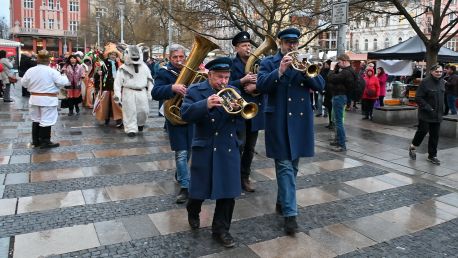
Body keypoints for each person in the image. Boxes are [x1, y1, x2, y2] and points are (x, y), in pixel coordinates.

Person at [257, 28, 324, 235]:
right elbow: (261, 85)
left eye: (294, 43)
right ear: (280, 43)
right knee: (285, 167)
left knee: (293, 167)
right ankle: (290, 214)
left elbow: (321, 85)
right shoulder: (269, 62)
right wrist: (280, 70)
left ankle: (282, 200)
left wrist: (306, 72)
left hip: (300, 123)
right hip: (278, 121)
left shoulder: (304, 62)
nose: (291, 46)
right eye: (287, 42)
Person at [181, 57, 243, 248]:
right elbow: (185, 114)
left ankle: (221, 230)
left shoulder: (234, 92)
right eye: (219, 77)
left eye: (226, 77)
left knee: (228, 193)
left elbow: (242, 118)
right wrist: (204, 105)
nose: (223, 81)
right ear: (210, 75)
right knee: (198, 191)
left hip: (227, 147)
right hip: (205, 146)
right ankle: (193, 209)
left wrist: (237, 111)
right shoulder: (195, 91)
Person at [152, 44, 192, 203]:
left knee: (188, 150)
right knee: (181, 152)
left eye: (181, 57)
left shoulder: (191, 70)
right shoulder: (164, 72)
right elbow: (155, 93)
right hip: (174, 115)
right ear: (169, 58)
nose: (178, 60)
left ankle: (180, 174)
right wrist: (172, 87)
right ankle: (185, 186)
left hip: (191, 113)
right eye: (175, 57)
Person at [229, 31, 263, 192]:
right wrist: (242, 81)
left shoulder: (259, 63)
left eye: (249, 45)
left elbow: (266, 82)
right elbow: (225, 85)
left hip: (254, 111)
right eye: (244, 45)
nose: (248, 48)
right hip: (238, 112)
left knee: (250, 148)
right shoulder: (231, 65)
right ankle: (233, 177)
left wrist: (257, 86)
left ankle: (245, 177)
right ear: (236, 48)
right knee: (238, 146)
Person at [21, 50, 70, 148]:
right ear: (48, 61)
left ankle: (36, 141)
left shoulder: (30, 70)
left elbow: (24, 83)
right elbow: (63, 82)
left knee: (36, 119)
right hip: (48, 100)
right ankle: (45, 141)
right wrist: (64, 75)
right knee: (46, 120)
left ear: (37, 60)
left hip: (34, 99)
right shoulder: (52, 71)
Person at [409, 64, 445, 165]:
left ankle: (432, 155)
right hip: (426, 113)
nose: (439, 73)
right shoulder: (425, 82)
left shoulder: (442, 82)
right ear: (431, 72)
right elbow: (418, 98)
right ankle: (413, 146)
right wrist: (428, 107)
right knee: (422, 131)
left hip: (437, 114)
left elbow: (443, 96)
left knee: (435, 135)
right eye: (437, 71)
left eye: (440, 72)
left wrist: (444, 109)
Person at [114, 44, 153, 137]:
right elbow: (117, 83)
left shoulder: (144, 67)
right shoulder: (122, 68)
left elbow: (150, 80)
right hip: (128, 91)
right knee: (129, 111)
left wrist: (150, 92)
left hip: (141, 91)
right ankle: (130, 129)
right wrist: (117, 95)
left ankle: (140, 123)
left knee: (144, 110)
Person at [327, 54, 355, 152]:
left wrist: (331, 68)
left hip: (339, 97)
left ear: (343, 61)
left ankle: (342, 145)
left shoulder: (346, 72)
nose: (338, 64)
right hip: (341, 97)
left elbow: (330, 78)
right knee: (337, 121)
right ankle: (339, 140)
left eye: (339, 62)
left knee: (338, 122)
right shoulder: (349, 71)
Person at [93, 44, 123, 127]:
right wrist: (99, 74)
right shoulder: (103, 63)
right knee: (106, 104)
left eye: (114, 54)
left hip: (116, 87)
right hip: (106, 87)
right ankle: (106, 118)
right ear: (108, 55)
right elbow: (96, 74)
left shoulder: (119, 64)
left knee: (117, 103)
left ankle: (119, 119)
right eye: (111, 54)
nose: (113, 56)